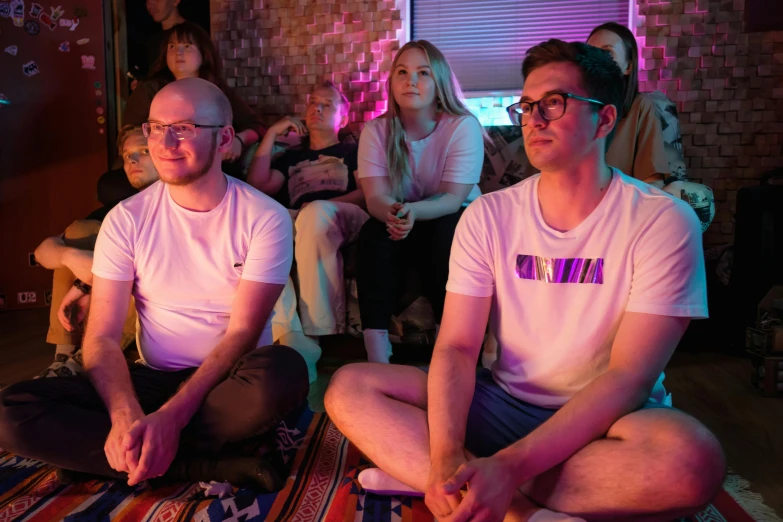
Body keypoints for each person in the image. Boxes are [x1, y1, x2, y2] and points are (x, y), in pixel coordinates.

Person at [325, 40, 725, 522]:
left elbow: (629, 377)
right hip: (502, 404)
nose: (534, 119)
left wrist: (511, 466)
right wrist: (448, 454)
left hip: (610, 422)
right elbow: (456, 347)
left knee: (693, 461)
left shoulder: (663, 220)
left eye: (554, 104)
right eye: (527, 105)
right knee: (349, 388)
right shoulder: (489, 215)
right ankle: (507, 504)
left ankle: (439, 479)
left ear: (604, 120)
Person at [0, 78, 309, 490]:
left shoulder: (263, 218)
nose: (164, 142)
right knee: (9, 411)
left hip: (228, 382)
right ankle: (197, 464)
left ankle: (107, 456)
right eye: (155, 127)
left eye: (183, 127)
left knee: (284, 372)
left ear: (224, 139)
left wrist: (172, 416)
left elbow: (242, 333)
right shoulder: (126, 219)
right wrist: (125, 412)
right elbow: (103, 337)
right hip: (151, 379)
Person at [355, 40, 485, 363]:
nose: (410, 80)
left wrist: (411, 211)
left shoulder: (462, 126)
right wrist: (396, 215)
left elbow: (453, 199)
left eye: (422, 73)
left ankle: (448, 347)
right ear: (392, 83)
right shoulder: (375, 131)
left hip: (451, 217)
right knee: (373, 233)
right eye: (402, 72)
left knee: (447, 231)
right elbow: (375, 198)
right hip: (404, 220)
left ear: (439, 83)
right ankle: (376, 352)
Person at [246, 81, 368, 381]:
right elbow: (256, 187)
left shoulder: (352, 151)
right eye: (313, 102)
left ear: (343, 116)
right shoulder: (291, 158)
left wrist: (318, 208)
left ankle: (317, 332)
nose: (317, 108)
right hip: (301, 218)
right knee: (261, 224)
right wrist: (272, 134)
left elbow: (367, 193)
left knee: (314, 214)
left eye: (327, 104)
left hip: (344, 215)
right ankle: (292, 335)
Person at [34, 125, 159, 377]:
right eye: (126, 155)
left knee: (138, 263)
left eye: (144, 150)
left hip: (153, 303)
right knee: (80, 230)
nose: (132, 159)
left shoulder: (181, 204)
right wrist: (74, 259)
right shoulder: (121, 210)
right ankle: (64, 356)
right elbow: (43, 251)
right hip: (103, 288)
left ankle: (87, 359)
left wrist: (88, 283)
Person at [123, 22, 264, 177]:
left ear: (204, 55)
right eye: (172, 47)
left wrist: (239, 140)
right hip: (158, 166)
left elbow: (256, 126)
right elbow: (129, 133)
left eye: (187, 46)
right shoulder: (150, 89)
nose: (178, 52)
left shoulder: (217, 90)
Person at [587, 22, 670, 186]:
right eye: (589, 53)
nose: (595, 61)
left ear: (628, 66)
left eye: (607, 53)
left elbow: (653, 183)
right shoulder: (571, 108)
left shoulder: (640, 108)